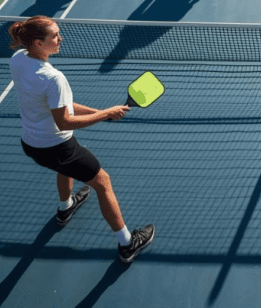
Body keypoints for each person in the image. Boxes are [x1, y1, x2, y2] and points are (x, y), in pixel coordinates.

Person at [9, 16, 155, 263]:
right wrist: (106, 114)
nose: (60, 38)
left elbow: (59, 106)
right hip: (59, 146)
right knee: (103, 183)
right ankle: (127, 244)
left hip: (32, 144)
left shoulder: (18, 60)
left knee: (63, 168)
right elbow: (64, 121)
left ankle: (66, 208)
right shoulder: (53, 78)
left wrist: (101, 113)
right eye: (54, 36)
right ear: (38, 43)